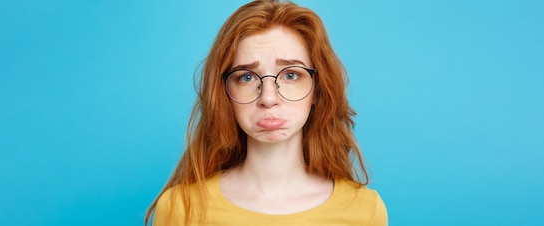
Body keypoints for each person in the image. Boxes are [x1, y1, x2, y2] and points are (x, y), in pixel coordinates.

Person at [145, 0, 387, 225]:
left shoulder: (365, 211)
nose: (268, 99)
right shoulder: (179, 209)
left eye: (291, 75)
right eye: (247, 77)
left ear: (318, 90)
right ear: (224, 93)